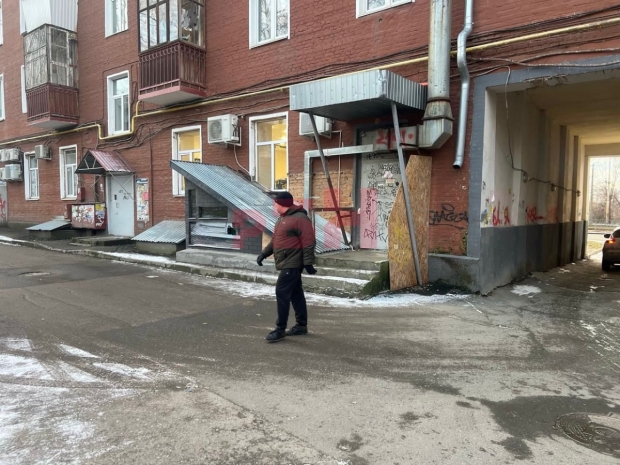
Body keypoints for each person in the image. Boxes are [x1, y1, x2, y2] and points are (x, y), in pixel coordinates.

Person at [257, 191, 317, 342]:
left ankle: (280, 329)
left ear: (281, 204)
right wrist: (264, 254)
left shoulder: (300, 218)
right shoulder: (282, 219)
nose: (274, 205)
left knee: (281, 291)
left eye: (275, 203)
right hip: (287, 261)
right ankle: (301, 326)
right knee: (296, 293)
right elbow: (276, 241)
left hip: (292, 263)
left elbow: (309, 241)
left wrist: (308, 262)